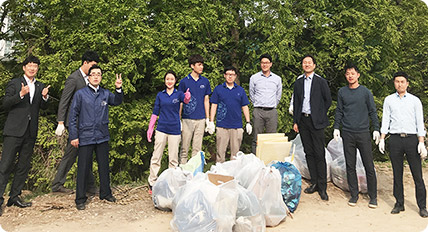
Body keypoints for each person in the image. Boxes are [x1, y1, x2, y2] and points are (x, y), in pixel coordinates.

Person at [68, 65, 123, 210]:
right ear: (88, 77)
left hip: (102, 135)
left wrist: (118, 89)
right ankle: (80, 199)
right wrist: (74, 135)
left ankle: (105, 193)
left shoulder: (105, 93)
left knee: (104, 166)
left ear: (101, 77)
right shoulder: (80, 94)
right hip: (85, 136)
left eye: (99, 74)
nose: (96, 76)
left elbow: (117, 101)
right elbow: (73, 116)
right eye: (93, 74)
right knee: (83, 168)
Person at [0, 55, 49, 215]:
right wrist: (20, 94)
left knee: (23, 166)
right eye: (30, 65)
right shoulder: (15, 83)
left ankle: (14, 197)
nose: (32, 68)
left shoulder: (40, 85)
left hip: (30, 131)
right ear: (24, 67)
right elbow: (5, 104)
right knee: (5, 165)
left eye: (35, 65)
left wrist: (44, 97)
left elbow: (41, 107)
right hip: (14, 131)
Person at [378, 71, 428, 217]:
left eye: (402, 81)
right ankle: (399, 203)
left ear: (407, 84)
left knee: (417, 174)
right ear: (394, 83)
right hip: (395, 139)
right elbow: (385, 120)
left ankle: (422, 206)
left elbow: (420, 122)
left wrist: (421, 142)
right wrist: (382, 138)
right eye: (397, 81)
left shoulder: (414, 101)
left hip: (412, 139)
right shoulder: (389, 100)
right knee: (397, 172)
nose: (399, 84)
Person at [52, 51, 100, 194]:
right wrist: (60, 122)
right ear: (85, 63)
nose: (94, 70)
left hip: (87, 123)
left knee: (86, 154)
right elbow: (64, 101)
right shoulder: (74, 78)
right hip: (75, 123)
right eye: (92, 66)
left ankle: (89, 186)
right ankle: (57, 185)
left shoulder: (89, 79)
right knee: (71, 154)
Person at [333, 63, 380, 208]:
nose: (350, 76)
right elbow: (339, 110)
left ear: (358, 75)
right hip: (347, 132)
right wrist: (336, 127)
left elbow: (372, 111)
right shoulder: (342, 92)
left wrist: (376, 129)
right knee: (350, 165)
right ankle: (354, 194)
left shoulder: (365, 92)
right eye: (347, 73)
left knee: (368, 165)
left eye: (352, 73)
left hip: (363, 133)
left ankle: (373, 196)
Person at [293, 54, 331, 201]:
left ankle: (322, 186)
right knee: (308, 152)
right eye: (304, 62)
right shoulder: (298, 82)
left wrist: (319, 115)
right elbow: (296, 102)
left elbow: (327, 100)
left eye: (309, 62)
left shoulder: (321, 82)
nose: (307, 64)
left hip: (317, 122)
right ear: (302, 65)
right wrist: (296, 121)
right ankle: (314, 182)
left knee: (319, 153)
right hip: (303, 121)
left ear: (314, 65)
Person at [147, 71, 190, 192]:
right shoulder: (161, 95)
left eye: (171, 79)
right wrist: (151, 127)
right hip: (161, 128)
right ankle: (152, 182)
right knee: (156, 156)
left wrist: (187, 97)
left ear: (175, 81)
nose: (169, 81)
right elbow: (155, 112)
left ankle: (173, 183)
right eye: (167, 79)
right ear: (165, 81)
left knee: (173, 158)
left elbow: (186, 100)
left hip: (175, 129)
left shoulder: (179, 94)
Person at [209, 66, 252, 163]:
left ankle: (233, 175)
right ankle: (219, 174)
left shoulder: (240, 90)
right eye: (228, 74)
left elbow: (245, 106)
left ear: (235, 76)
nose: (230, 77)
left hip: (236, 126)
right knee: (220, 153)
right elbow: (214, 105)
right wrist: (211, 121)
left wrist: (248, 122)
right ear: (224, 76)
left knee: (235, 155)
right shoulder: (218, 89)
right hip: (222, 125)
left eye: (232, 75)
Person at [178, 54, 212, 164]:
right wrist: (179, 119)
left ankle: (195, 173)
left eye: (202, 65)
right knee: (184, 148)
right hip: (187, 118)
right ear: (192, 66)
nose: (201, 67)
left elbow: (206, 100)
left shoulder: (205, 82)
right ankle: (182, 171)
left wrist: (208, 119)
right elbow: (180, 102)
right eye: (199, 65)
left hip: (201, 118)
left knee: (197, 149)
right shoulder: (184, 81)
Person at [249, 53, 282, 154]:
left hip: (271, 111)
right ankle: (256, 161)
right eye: (263, 63)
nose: (265, 65)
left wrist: (273, 104)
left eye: (267, 63)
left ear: (271, 64)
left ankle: (269, 162)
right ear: (260, 64)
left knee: (271, 139)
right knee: (256, 138)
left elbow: (278, 95)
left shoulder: (277, 79)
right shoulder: (254, 78)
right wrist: (257, 104)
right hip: (258, 111)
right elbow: (251, 94)